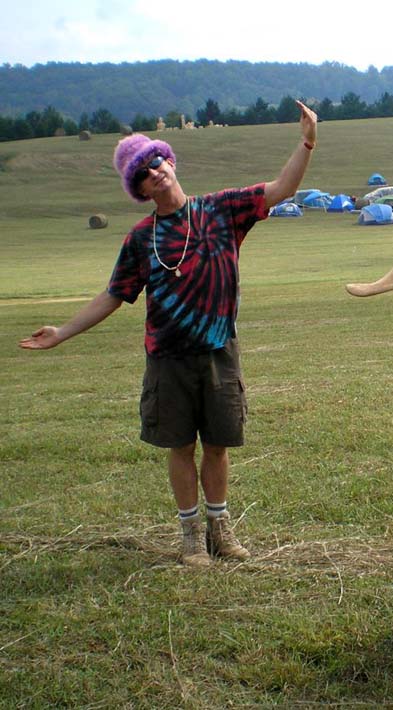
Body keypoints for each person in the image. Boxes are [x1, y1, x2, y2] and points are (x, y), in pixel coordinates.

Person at [19, 101, 318, 568]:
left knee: (217, 445)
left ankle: (221, 530)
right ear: (138, 188)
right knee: (180, 445)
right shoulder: (142, 238)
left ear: (170, 162)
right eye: (142, 173)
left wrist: (306, 143)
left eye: (156, 162)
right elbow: (114, 295)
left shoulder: (222, 210)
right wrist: (62, 332)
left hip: (220, 351)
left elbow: (282, 188)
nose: (153, 173)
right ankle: (191, 538)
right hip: (167, 359)